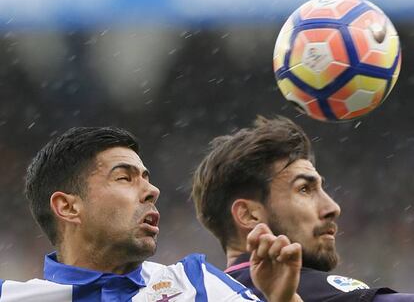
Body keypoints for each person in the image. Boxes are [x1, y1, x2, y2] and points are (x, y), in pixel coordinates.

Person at [0, 126, 303, 302]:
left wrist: (285, 300)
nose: (152, 190)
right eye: (124, 177)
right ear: (67, 207)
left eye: (146, 177)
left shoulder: (196, 284)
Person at [191, 115, 414, 302]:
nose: (332, 207)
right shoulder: (310, 290)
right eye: (305, 189)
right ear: (248, 214)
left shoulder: (202, 294)